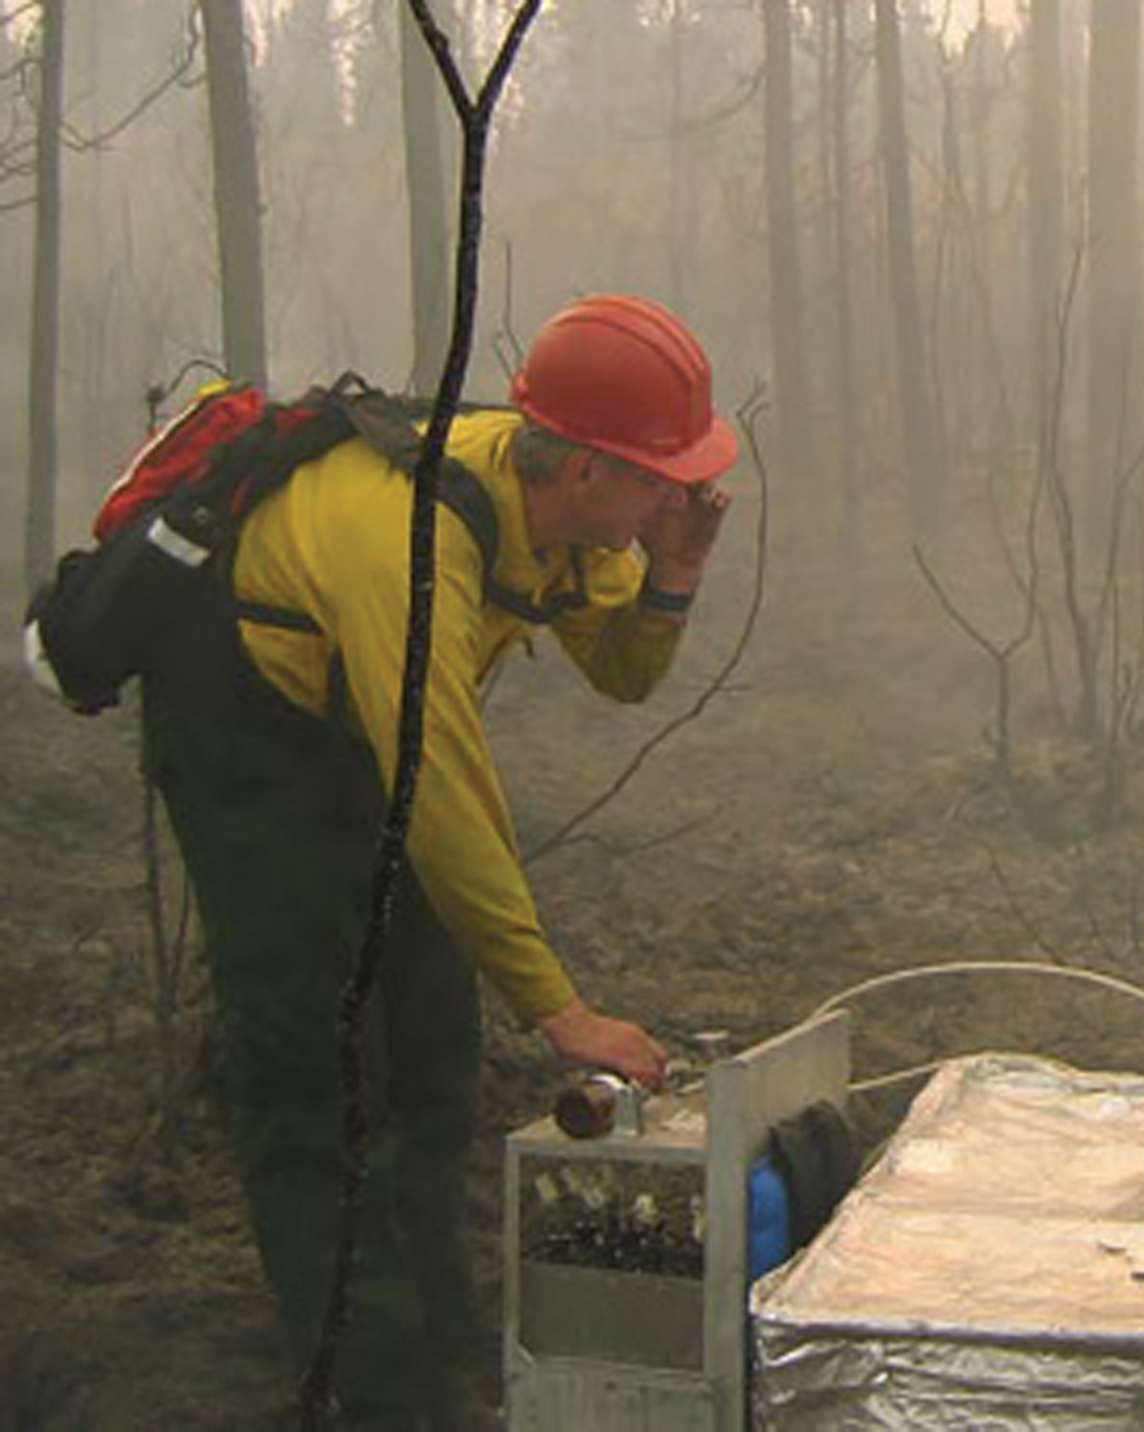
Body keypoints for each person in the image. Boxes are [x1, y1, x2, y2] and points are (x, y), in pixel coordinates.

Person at [141, 294, 737, 1426]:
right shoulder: (401, 544)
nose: (677, 495)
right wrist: (559, 1008)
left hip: (361, 728)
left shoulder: (558, 512)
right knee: (313, 1072)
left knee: (429, 1043)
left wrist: (673, 574)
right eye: (661, 478)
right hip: (243, 735)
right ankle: (371, 1385)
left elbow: (622, 671)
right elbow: (446, 797)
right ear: (584, 473)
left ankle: (441, 1328)